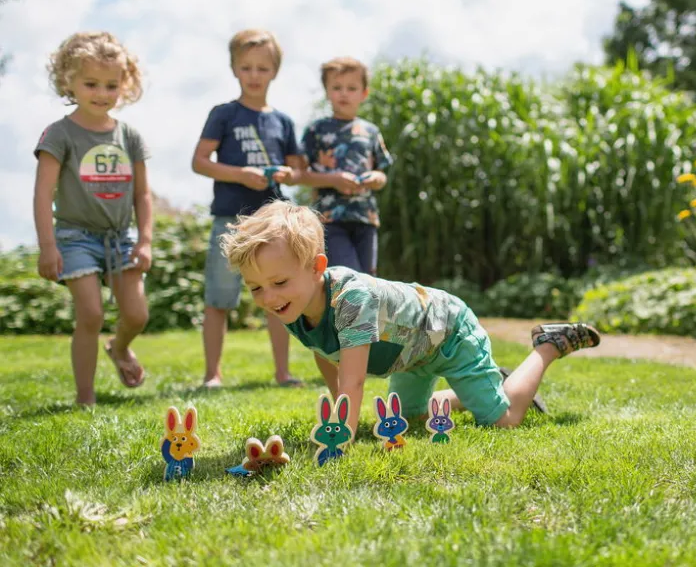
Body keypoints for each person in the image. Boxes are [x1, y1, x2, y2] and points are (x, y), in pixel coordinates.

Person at [219, 200, 601, 439]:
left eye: (278, 282)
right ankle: (488, 384)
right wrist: (340, 413)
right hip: (412, 353)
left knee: (502, 421)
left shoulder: (349, 298)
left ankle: (548, 346)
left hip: (448, 333)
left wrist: (344, 435)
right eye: (256, 289)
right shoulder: (292, 302)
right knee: (410, 418)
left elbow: (353, 378)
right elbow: (326, 352)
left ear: (316, 268)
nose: (267, 298)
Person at [33, 31, 152, 406]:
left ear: (125, 84)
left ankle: (119, 348)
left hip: (121, 237)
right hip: (74, 237)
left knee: (136, 315)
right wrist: (47, 247)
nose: (102, 93)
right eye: (91, 84)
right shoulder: (59, 134)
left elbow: (142, 194)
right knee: (91, 312)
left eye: (111, 85)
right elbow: (42, 193)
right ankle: (85, 397)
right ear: (68, 80)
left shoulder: (128, 135)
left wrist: (145, 240)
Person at [190, 29, 304, 388]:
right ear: (234, 69)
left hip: (273, 222)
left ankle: (283, 373)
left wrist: (289, 173)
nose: (254, 75)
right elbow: (199, 161)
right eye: (246, 67)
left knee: (279, 296)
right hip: (229, 218)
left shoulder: (282, 121)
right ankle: (212, 375)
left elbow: (299, 170)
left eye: (262, 68)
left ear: (275, 72)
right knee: (219, 296)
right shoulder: (223, 114)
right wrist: (241, 174)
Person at [299, 57, 392, 275]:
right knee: (347, 277)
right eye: (337, 87)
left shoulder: (371, 131)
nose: (344, 93)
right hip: (330, 219)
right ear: (327, 91)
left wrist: (375, 179)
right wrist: (333, 179)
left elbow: (381, 174)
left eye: (351, 88)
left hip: (365, 218)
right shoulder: (317, 130)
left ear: (364, 93)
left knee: (368, 281)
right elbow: (300, 175)